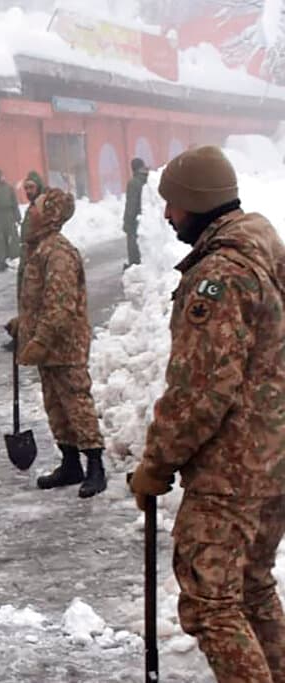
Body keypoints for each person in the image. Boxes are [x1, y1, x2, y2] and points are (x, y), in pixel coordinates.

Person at [129, 146, 285, 683]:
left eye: (172, 204)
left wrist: (158, 461)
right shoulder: (265, 255)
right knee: (252, 586)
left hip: (233, 468)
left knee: (211, 603)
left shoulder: (218, 276)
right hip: (274, 458)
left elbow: (202, 389)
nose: (168, 216)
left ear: (196, 203)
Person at [7, 188, 106, 498]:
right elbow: (41, 301)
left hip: (65, 346)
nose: (29, 210)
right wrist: (23, 325)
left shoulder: (58, 253)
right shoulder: (40, 250)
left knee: (76, 404)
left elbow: (60, 306)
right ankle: (70, 463)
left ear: (49, 214)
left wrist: (40, 340)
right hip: (49, 348)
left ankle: (95, 466)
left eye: (35, 206)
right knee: (56, 407)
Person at [4, 171, 47, 352]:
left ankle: (30, 337)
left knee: (32, 299)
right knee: (24, 297)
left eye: (31, 187)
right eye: (26, 188)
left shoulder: (42, 206)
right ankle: (24, 335)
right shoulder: (32, 207)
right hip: (27, 258)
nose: (28, 191)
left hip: (35, 259)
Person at [123, 157, 148, 267]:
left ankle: (135, 266)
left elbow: (131, 204)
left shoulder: (134, 183)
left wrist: (127, 222)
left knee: (133, 245)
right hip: (148, 218)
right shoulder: (148, 179)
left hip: (135, 220)